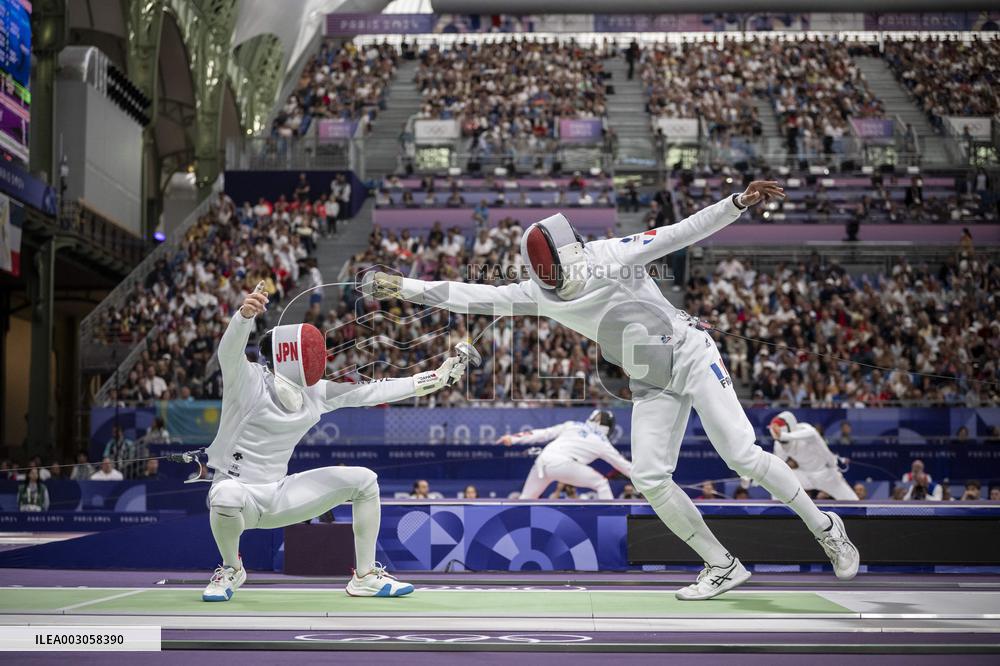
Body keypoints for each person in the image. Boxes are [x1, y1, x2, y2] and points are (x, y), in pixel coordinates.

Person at [368, 180, 858, 600]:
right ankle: (722, 564)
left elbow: (682, 231)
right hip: (650, 383)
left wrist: (738, 202)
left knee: (742, 455)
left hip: (691, 354)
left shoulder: (615, 255)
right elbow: (473, 295)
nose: (552, 283)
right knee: (648, 477)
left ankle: (826, 528)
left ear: (573, 251)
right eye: (545, 276)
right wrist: (403, 288)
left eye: (554, 271)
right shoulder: (539, 293)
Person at [201, 286, 467, 602]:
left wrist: (432, 379)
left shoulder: (316, 393)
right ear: (288, 355)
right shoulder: (247, 379)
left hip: (280, 495)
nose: (319, 358)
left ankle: (365, 577)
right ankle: (232, 569)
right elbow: (228, 353)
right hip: (240, 496)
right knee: (224, 496)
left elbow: (373, 392)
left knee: (365, 481)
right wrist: (243, 317)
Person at [497, 410, 631, 500]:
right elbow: (624, 466)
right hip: (563, 465)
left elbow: (544, 433)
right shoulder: (602, 442)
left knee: (525, 500)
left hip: (542, 462)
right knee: (601, 484)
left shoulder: (572, 425)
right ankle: (609, 522)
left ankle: (510, 527)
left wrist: (514, 438)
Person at [769, 411, 856, 501]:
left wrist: (783, 436)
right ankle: (777, 512)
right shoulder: (779, 443)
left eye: (782, 439)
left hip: (826, 474)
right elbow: (778, 464)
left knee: (853, 502)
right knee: (778, 481)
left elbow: (812, 434)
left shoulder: (804, 429)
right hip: (804, 476)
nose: (782, 443)